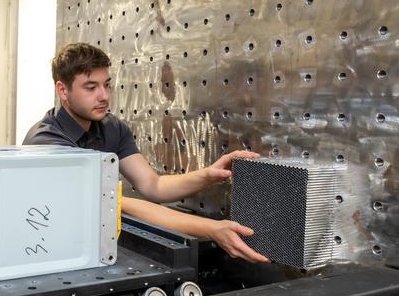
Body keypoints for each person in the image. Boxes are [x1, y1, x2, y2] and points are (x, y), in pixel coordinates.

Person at [24, 42, 269, 264]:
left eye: (107, 85)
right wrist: (211, 228)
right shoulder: (47, 142)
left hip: (93, 250)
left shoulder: (111, 128)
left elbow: (153, 185)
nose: (104, 96)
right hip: (47, 252)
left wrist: (209, 175)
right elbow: (115, 205)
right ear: (62, 90)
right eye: (91, 87)